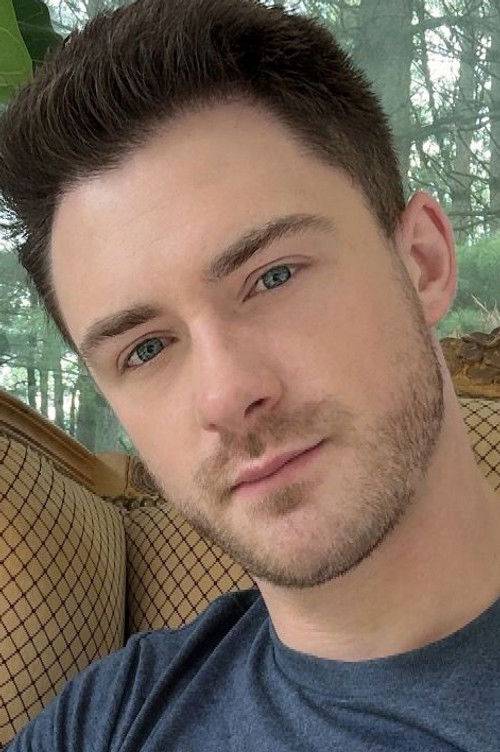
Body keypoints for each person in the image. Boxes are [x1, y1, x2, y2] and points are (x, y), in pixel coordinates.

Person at [1, 0, 500, 748]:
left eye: (272, 277)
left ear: (422, 263)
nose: (227, 394)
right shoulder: (108, 720)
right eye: (145, 349)